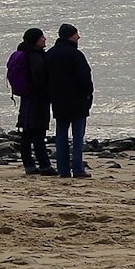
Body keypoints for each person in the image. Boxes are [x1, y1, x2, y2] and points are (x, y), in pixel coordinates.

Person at [45, 23, 94, 179]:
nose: (78, 37)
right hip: (77, 99)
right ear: (69, 36)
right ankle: (78, 169)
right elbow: (84, 76)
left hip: (58, 99)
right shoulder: (75, 55)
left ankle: (63, 169)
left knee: (61, 135)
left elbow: (45, 77)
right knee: (78, 136)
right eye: (75, 34)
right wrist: (88, 92)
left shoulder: (50, 54)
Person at [7, 28, 53, 175]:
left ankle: (30, 165)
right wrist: (47, 92)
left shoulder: (27, 53)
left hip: (27, 99)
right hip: (37, 99)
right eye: (42, 37)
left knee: (27, 132)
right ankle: (44, 165)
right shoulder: (35, 56)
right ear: (35, 40)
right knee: (38, 133)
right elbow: (39, 80)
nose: (45, 39)